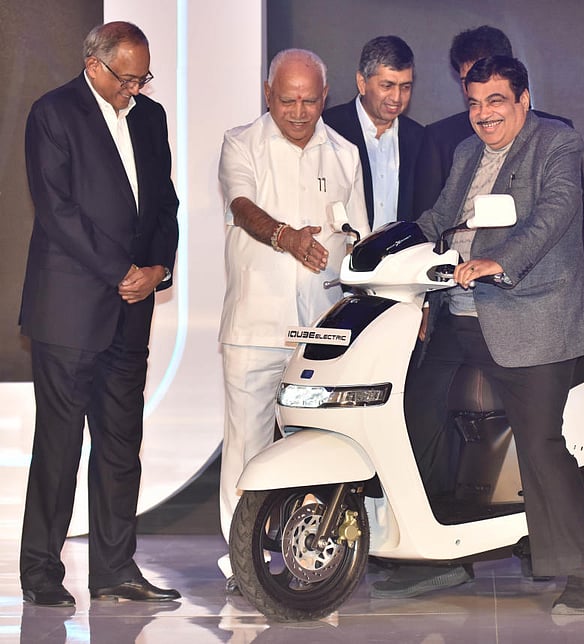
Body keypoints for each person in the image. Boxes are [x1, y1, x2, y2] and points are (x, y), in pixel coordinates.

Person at [372, 55, 584, 615]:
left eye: (495, 101)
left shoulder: (557, 143)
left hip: (533, 314)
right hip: (460, 314)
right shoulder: (466, 151)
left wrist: (497, 261)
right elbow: (439, 219)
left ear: (524, 99)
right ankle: (439, 554)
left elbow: (554, 215)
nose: (483, 114)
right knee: (414, 413)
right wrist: (384, 244)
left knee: (540, 441)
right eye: (473, 103)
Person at [19, 21, 180, 606]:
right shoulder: (53, 113)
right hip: (69, 311)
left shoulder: (151, 117)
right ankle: (40, 573)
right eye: (126, 78)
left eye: (143, 79)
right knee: (59, 447)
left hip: (131, 309)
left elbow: (166, 202)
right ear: (95, 66)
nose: (134, 90)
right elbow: (57, 212)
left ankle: (115, 571)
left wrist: (158, 267)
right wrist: (121, 272)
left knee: (120, 444)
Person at [217, 48, 369, 593]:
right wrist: (286, 236)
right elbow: (241, 207)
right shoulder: (242, 142)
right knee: (247, 443)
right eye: (287, 100)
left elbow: (357, 236)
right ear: (268, 94)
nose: (299, 111)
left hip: (322, 335)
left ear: (324, 98)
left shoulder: (346, 153)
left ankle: (315, 556)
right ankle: (244, 563)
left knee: (321, 443)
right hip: (256, 326)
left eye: (309, 100)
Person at [411, 25, 572, 217]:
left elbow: (564, 219)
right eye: (467, 80)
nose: (475, 86)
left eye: (484, 76)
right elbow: (430, 221)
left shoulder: (557, 135)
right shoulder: (442, 139)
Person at [323, 35, 423, 228]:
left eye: (405, 87)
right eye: (387, 86)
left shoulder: (419, 138)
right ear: (362, 82)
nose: (396, 97)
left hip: (402, 255)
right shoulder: (328, 128)